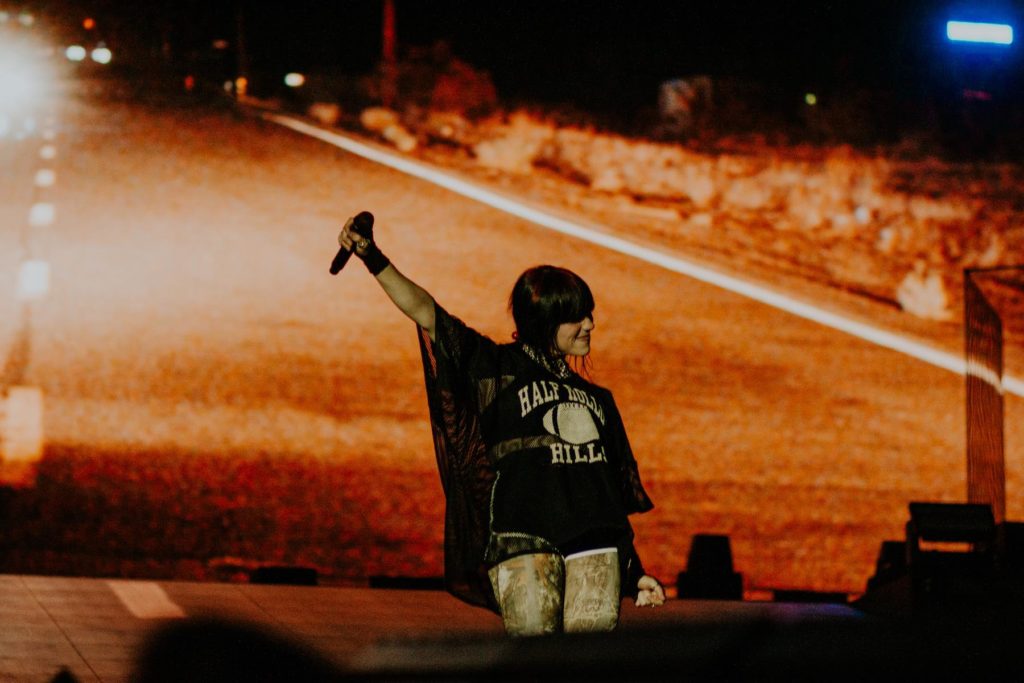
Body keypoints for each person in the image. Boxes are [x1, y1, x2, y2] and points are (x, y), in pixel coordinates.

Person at [337, 215, 665, 636]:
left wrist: (634, 568)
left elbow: (609, 495)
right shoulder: (495, 368)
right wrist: (373, 257)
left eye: (590, 314)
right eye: (577, 317)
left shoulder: (600, 400)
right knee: (534, 664)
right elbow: (426, 313)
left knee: (585, 667)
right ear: (545, 322)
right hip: (521, 539)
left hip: (595, 547)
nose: (590, 326)